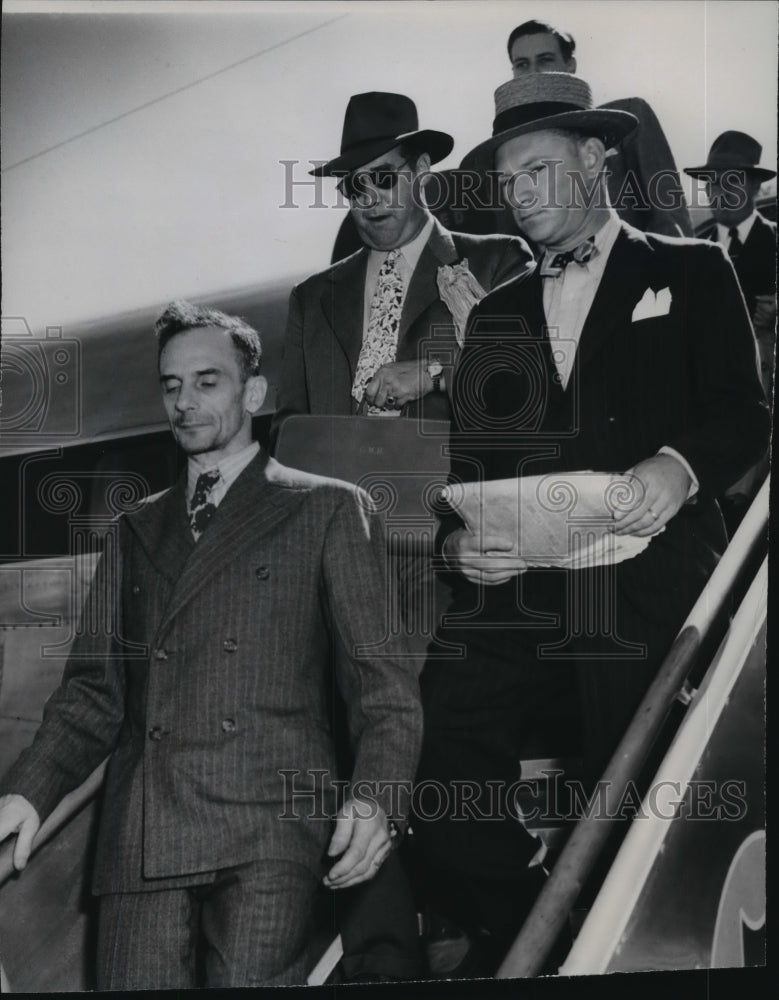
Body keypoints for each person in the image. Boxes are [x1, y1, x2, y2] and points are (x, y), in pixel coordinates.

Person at [413, 72, 770, 975]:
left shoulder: (687, 269)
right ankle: (530, 917)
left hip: (648, 565)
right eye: (508, 181)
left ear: (593, 159)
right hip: (527, 582)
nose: (520, 194)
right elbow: (467, 469)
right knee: (435, 722)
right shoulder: (492, 317)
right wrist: (459, 541)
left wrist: (675, 466)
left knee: (630, 745)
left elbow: (743, 413)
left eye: (536, 171)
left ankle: (633, 943)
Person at [0, 301, 423, 989]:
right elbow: (91, 693)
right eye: (171, 385)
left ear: (253, 392)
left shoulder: (326, 508)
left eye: (207, 381)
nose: (184, 402)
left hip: (268, 824)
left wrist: (375, 798)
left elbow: (383, 688)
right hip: (143, 828)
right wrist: (27, 794)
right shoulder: (135, 529)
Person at [269, 90, 533, 446]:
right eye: (354, 185)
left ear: (422, 170)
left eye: (383, 177)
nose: (370, 198)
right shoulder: (310, 299)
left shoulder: (498, 261)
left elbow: (531, 381)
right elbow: (288, 431)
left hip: (454, 492)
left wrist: (434, 374)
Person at [501, 19, 694, 239]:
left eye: (545, 60)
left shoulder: (631, 118)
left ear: (570, 65)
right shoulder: (507, 147)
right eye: (522, 64)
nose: (534, 73)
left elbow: (670, 215)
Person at [684, 131, 776, 532]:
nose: (719, 192)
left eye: (731, 181)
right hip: (705, 385)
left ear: (756, 185)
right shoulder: (694, 248)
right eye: (712, 183)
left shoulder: (775, 241)